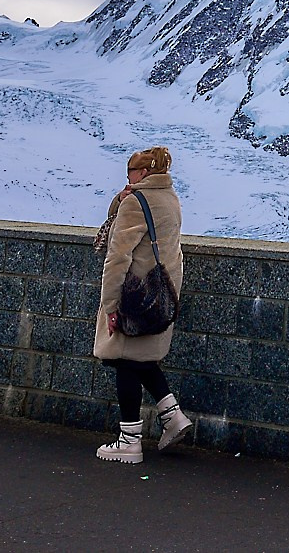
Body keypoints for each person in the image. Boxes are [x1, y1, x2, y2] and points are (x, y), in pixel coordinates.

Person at [92, 145, 194, 462]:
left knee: (125, 361)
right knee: (142, 358)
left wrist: (111, 305)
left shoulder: (137, 202)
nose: (128, 178)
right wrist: (121, 199)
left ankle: (129, 442)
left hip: (134, 294)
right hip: (161, 292)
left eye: (131, 172)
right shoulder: (169, 198)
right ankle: (172, 416)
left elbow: (117, 257)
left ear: (145, 172)